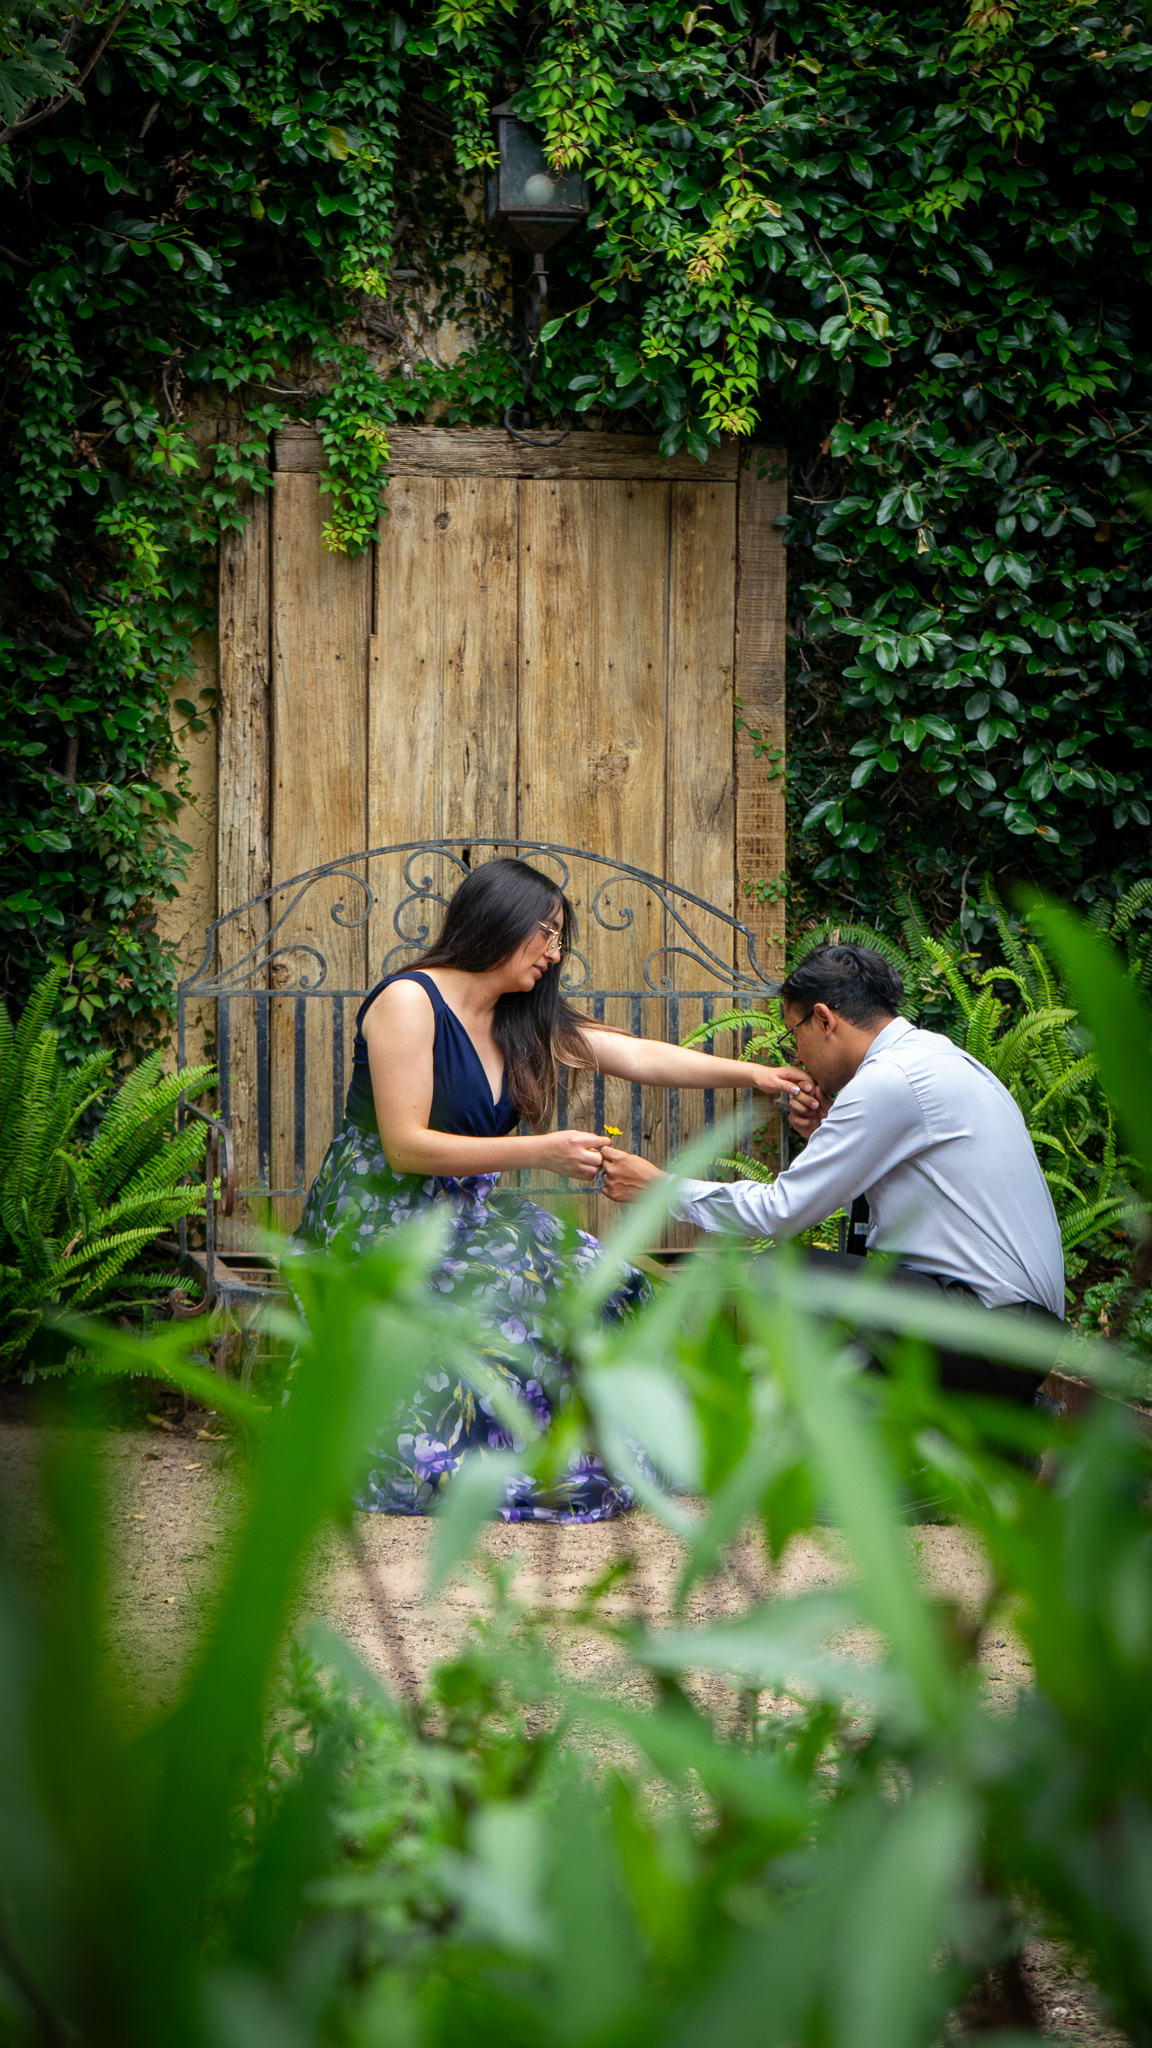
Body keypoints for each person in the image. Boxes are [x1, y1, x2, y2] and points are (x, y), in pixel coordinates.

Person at [295, 857, 816, 1518]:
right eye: (544, 932)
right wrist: (542, 1151)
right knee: (511, 1284)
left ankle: (601, 1446)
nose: (555, 951)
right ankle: (462, 1453)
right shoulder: (409, 1001)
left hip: (461, 1214)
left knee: (607, 1278)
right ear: (497, 921)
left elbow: (640, 1055)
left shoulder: (519, 1017)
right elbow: (405, 1146)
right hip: (377, 1222)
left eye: (560, 936)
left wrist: (756, 1077)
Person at [601, 940, 1065, 1404]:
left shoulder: (890, 1081)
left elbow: (781, 1212)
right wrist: (827, 1131)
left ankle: (902, 1436)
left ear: (824, 1019)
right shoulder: (930, 1057)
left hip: (996, 1333)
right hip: (1015, 1329)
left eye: (794, 1034)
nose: (797, 1055)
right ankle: (945, 1437)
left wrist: (659, 1189)